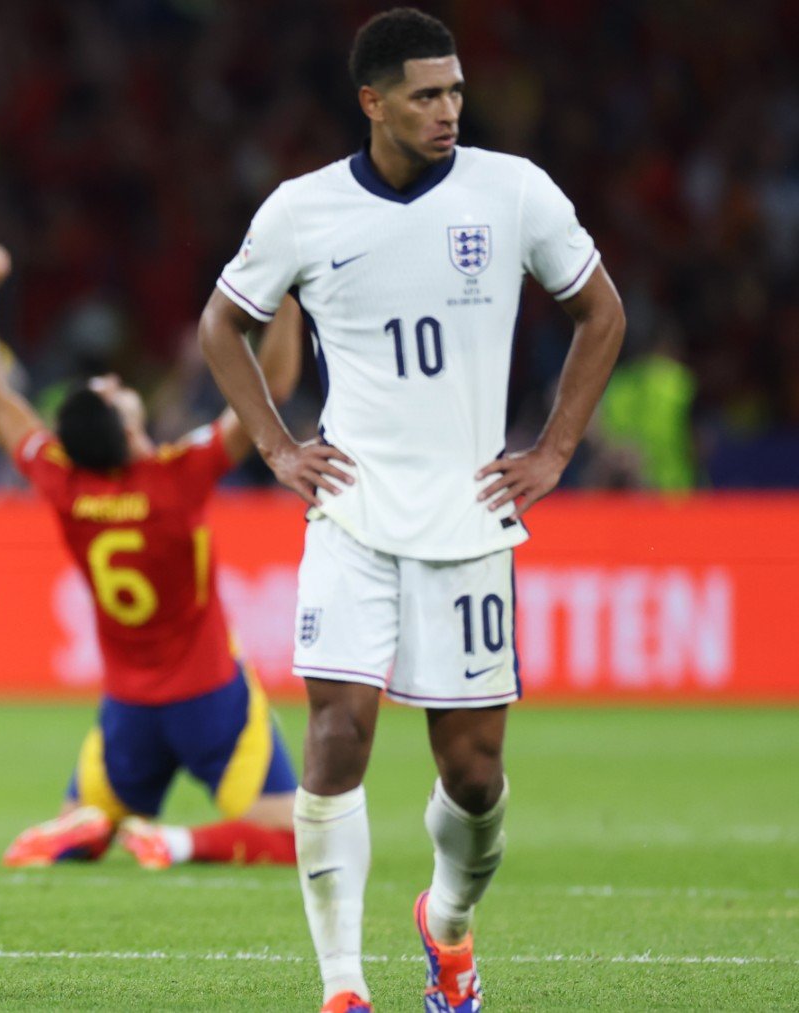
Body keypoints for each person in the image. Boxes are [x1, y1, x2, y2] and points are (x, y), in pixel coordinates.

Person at [194, 10, 626, 1012]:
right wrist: (276, 444)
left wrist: (556, 447)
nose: (449, 111)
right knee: (338, 734)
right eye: (428, 94)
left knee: (473, 776)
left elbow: (601, 311)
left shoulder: (512, 191)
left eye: (457, 92)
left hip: (471, 520)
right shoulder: (303, 211)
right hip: (349, 512)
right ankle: (343, 986)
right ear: (373, 101)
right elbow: (223, 323)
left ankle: (449, 924)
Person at [0, 245, 306, 871]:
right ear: (125, 429)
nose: (114, 383)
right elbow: (273, 389)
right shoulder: (178, 477)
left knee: (82, 823)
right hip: (210, 695)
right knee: (294, 833)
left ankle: (85, 828)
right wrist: (288, 294)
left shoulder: (67, 485)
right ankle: (174, 842)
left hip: (128, 708)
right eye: (110, 393)